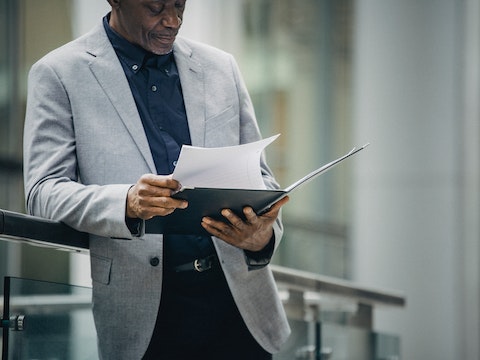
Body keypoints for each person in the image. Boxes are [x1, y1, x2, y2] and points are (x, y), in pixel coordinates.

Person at [23, 0, 290, 359]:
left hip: (241, 309)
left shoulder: (221, 67)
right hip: (144, 316)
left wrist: (261, 235)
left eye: (180, 6)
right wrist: (127, 202)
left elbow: (261, 178)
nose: (173, 20)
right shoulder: (58, 73)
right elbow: (43, 190)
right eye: (155, 7)